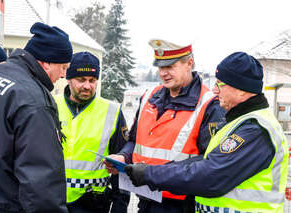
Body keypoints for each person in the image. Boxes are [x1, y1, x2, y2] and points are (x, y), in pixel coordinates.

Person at [123, 52, 289, 212]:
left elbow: (211, 175)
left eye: (220, 85)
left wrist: (150, 174)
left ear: (242, 89)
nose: (215, 91)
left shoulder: (255, 129)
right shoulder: (239, 122)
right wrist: (153, 171)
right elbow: (204, 160)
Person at [105, 39, 226, 213]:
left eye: (170, 67)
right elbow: (134, 141)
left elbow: (210, 161)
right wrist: (123, 157)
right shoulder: (149, 96)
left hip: (182, 205)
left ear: (189, 64)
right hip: (145, 199)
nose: (164, 73)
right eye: (161, 67)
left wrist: (155, 174)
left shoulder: (209, 105)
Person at [0, 22, 72, 213]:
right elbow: (42, 183)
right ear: (47, 62)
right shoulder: (32, 99)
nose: (63, 75)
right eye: (64, 67)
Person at [53, 52, 130, 213]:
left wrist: (120, 205)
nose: (87, 86)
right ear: (68, 78)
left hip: (92, 204)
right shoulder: (50, 104)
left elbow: (122, 164)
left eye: (92, 80)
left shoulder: (112, 111)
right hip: (52, 200)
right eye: (81, 80)